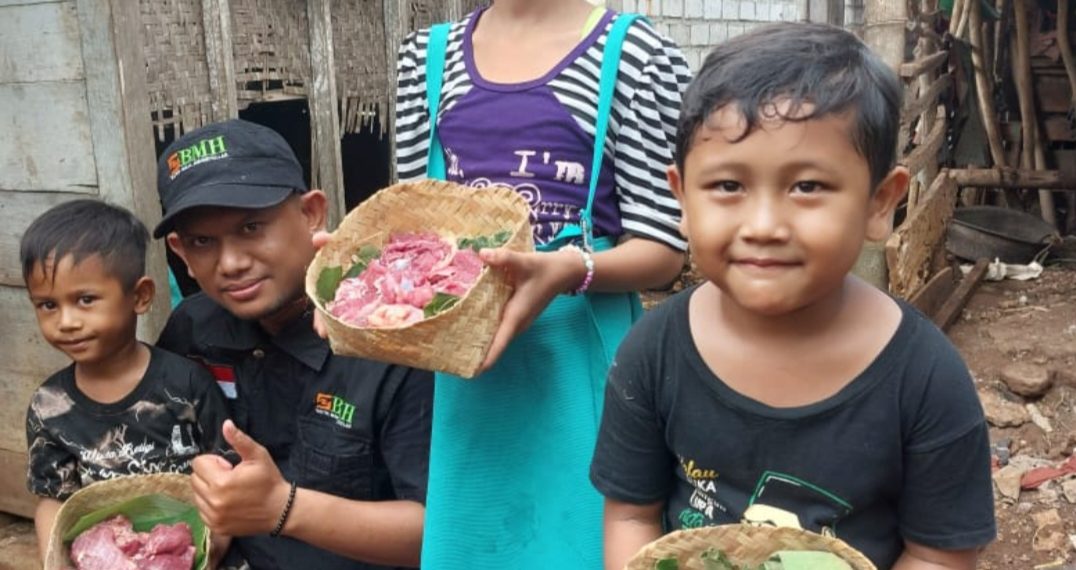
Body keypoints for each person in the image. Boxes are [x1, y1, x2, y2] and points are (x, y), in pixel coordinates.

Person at [589, 22, 996, 570]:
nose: (763, 225)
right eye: (728, 186)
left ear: (881, 203)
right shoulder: (650, 355)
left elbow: (939, 555)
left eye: (807, 187)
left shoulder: (926, 379)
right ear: (682, 200)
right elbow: (631, 517)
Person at [392, 0, 690, 567]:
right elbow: (414, 228)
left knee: (582, 543)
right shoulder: (425, 60)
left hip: (580, 362)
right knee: (477, 545)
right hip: (473, 376)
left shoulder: (632, 54)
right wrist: (368, 284)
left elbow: (662, 250)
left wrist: (570, 270)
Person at [154, 119, 434, 570]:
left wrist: (282, 508)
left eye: (251, 227)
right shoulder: (193, 329)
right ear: (180, 252)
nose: (231, 263)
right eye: (203, 241)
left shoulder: (388, 340)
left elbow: (441, 531)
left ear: (312, 214)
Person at [20, 199, 231, 560]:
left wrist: (208, 554)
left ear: (140, 296)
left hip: (186, 549)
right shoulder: (49, 406)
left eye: (85, 299)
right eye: (47, 305)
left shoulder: (186, 384)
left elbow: (227, 483)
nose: (66, 321)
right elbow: (52, 500)